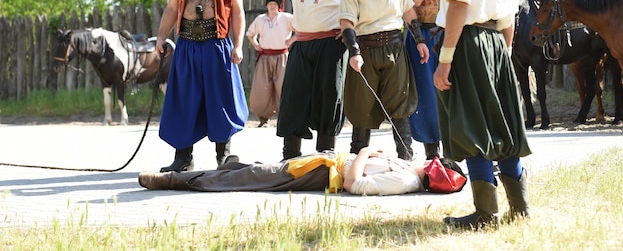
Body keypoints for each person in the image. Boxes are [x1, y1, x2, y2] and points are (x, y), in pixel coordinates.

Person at [433, 0, 531, 229]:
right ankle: (520, 209)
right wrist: (502, 51)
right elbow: (510, 12)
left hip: (467, 41)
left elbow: (458, 4)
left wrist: (445, 59)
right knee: (502, 124)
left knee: (471, 124)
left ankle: (486, 215)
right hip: (497, 41)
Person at [155, 0, 249, 172]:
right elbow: (172, 8)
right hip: (187, 44)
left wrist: (237, 45)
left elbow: (238, 13)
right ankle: (183, 158)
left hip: (217, 44)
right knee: (183, 100)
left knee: (221, 100)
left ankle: (223, 157)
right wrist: (161, 38)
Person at [260, 0, 358, 160]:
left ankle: (325, 155)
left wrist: (351, 32)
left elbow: (359, 0)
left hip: (331, 42)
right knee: (293, 97)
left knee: (330, 96)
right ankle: (290, 156)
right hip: (302, 42)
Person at [339, 0, 430, 161]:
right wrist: (354, 53)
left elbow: (408, 11)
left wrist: (419, 40)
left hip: (394, 47)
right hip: (365, 50)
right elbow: (347, 23)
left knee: (400, 103)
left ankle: (406, 157)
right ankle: (356, 160)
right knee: (363, 105)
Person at [137, 146, 467, 196]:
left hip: (323, 174)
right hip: (324, 161)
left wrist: (365, 151)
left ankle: (173, 180)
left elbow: (354, 184)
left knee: (251, 179)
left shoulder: (406, 180)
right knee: (259, 169)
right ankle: (231, 167)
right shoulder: (409, 170)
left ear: (433, 168)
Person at [399, 0, 447, 160]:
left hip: (452, 32)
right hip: (421, 34)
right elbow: (414, 0)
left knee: (454, 89)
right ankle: (432, 152)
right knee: (426, 92)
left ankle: (457, 146)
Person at [246, 0, 295, 127]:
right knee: (262, 88)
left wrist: (290, 40)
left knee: (283, 87)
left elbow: (300, 30)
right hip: (265, 57)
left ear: (279, 6)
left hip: (282, 57)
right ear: (267, 6)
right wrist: (256, 45)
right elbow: (250, 34)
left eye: (275, 4)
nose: (272, 7)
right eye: (270, 4)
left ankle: (285, 118)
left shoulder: (287, 18)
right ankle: (263, 119)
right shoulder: (260, 19)